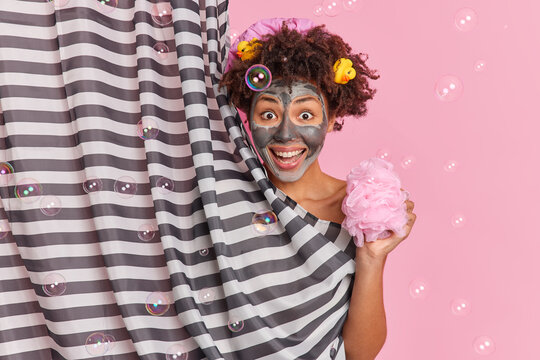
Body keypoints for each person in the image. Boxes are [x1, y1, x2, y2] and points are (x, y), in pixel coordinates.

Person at [220, 18, 417, 360]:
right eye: (268, 115)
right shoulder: (228, 197)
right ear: (247, 118)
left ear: (332, 115)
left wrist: (372, 257)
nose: (285, 134)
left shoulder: (357, 208)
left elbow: (360, 353)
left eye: (306, 115)